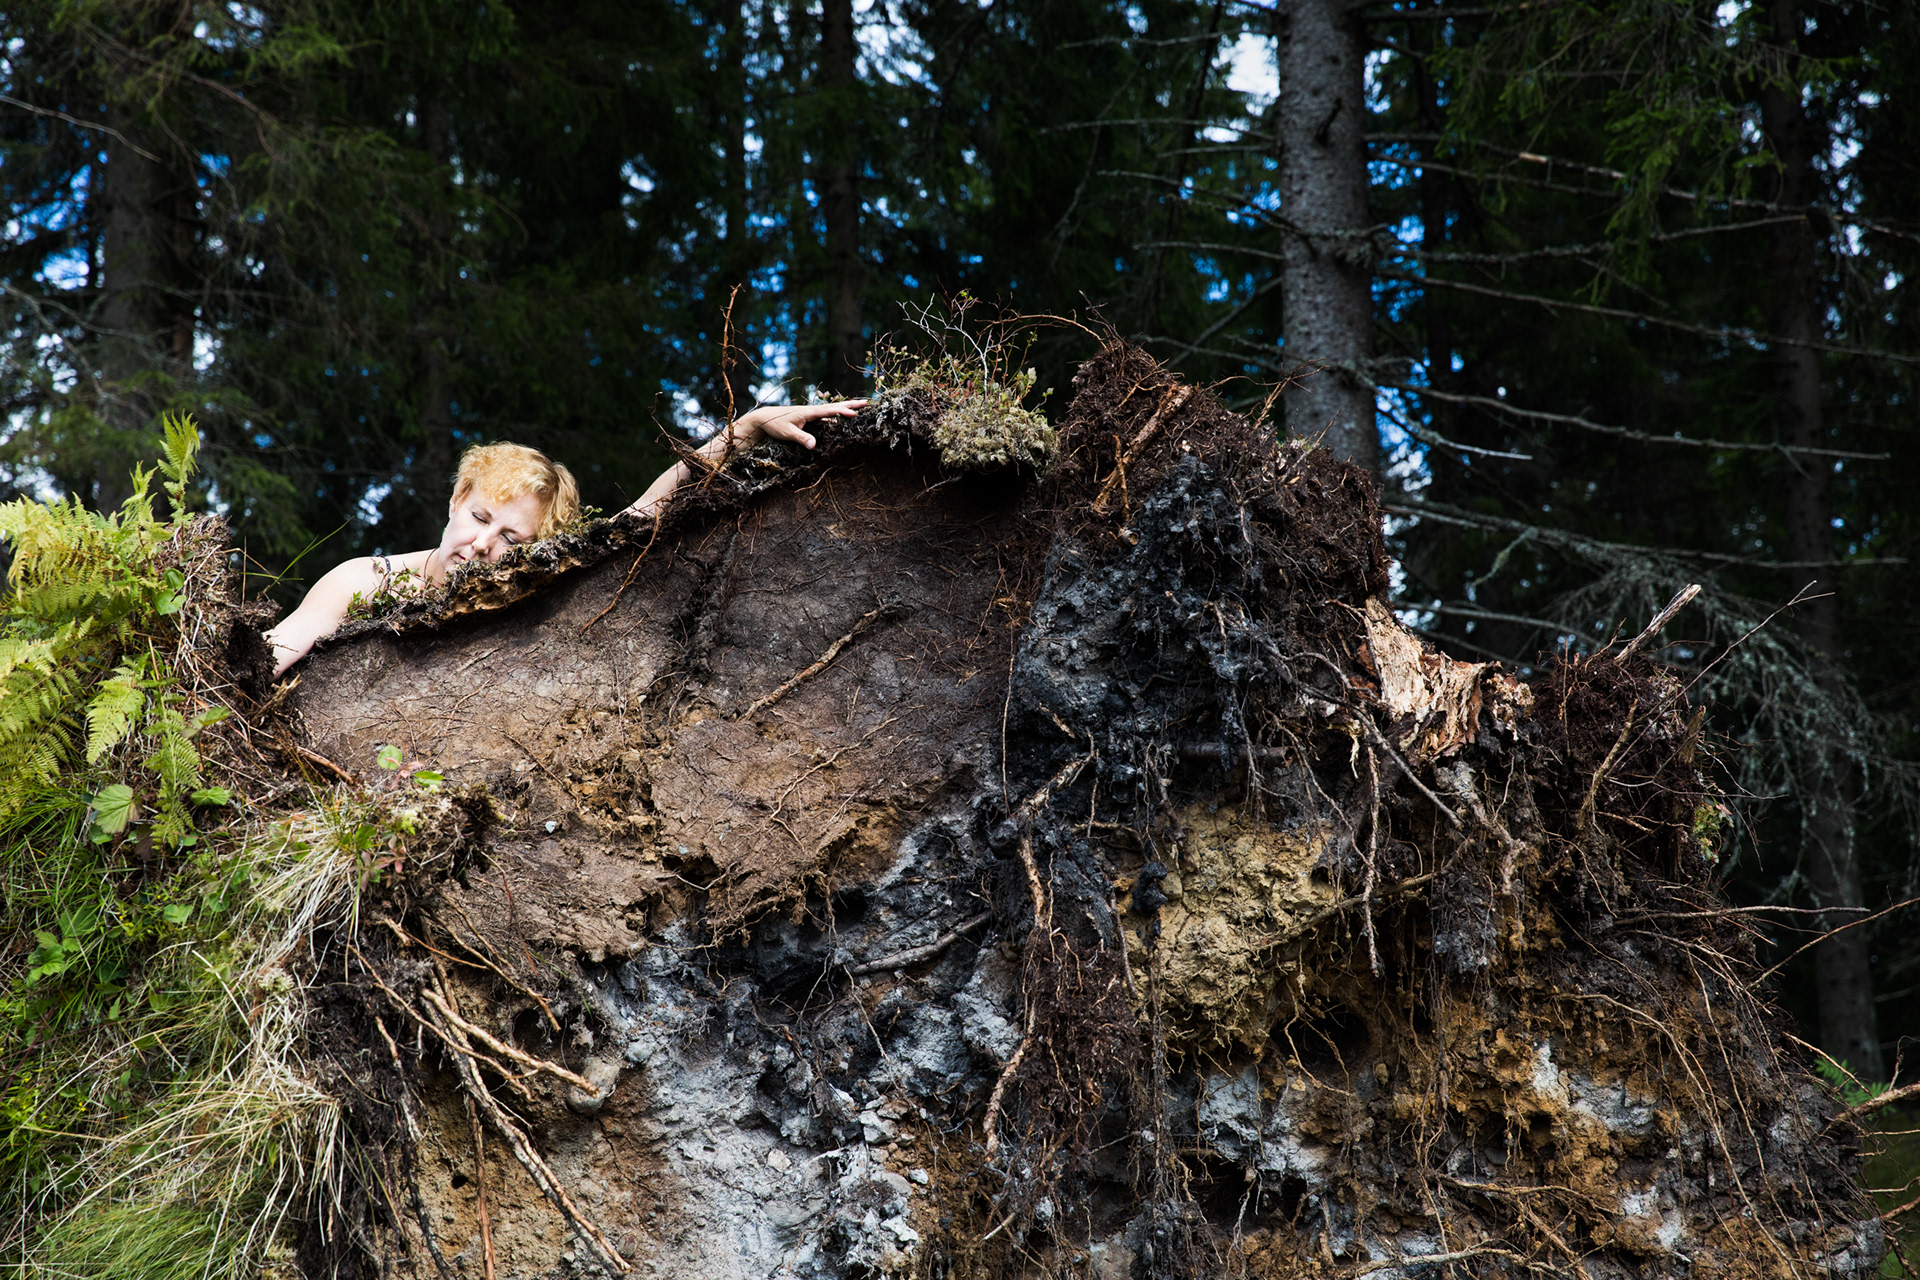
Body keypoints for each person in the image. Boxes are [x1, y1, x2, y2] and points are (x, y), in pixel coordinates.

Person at [264, 400, 868, 678]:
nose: (483, 545)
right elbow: (271, 650)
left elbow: (642, 513)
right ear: (455, 502)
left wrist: (747, 427)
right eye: (479, 519)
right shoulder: (360, 581)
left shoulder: (530, 588)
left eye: (511, 537)